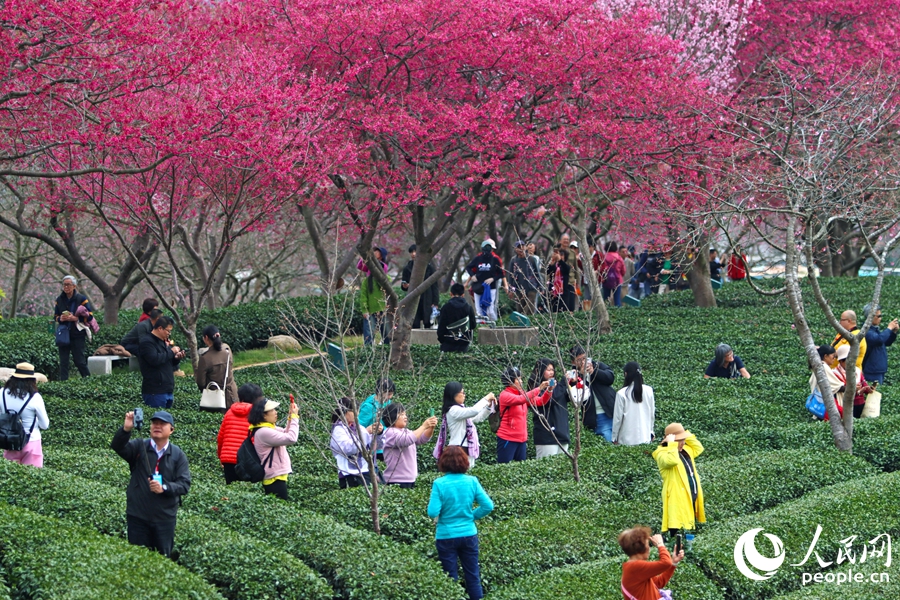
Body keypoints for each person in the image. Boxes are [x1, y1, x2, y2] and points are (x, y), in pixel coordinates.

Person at [111, 409, 191, 557]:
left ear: (171, 430)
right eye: (154, 423)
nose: (157, 426)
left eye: (162, 424)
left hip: (164, 518)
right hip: (138, 515)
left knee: (162, 558)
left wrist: (165, 488)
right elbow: (118, 447)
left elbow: (184, 484)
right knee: (137, 558)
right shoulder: (139, 446)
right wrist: (126, 429)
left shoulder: (178, 455)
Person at [427, 446, 494, 600]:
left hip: (446, 536)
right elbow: (488, 506)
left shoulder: (439, 483)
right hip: (469, 534)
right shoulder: (472, 481)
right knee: (473, 576)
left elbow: (432, 512)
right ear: (465, 462)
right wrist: (471, 516)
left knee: (450, 578)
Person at [652, 423, 705, 537]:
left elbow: (699, 448)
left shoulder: (685, 450)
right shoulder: (661, 453)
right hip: (677, 500)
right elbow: (672, 461)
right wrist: (671, 444)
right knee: (677, 532)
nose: (683, 442)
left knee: (688, 531)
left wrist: (685, 433)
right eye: (680, 440)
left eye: (684, 440)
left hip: (690, 497)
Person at [496, 366, 552, 463]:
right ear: (510, 382)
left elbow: (540, 402)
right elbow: (521, 399)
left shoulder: (521, 393)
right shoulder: (505, 395)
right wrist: (539, 388)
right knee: (504, 468)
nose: (521, 381)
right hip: (507, 438)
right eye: (518, 379)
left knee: (520, 468)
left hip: (521, 439)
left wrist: (549, 390)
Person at [434, 382, 495, 468]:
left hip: (466, 448)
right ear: (454, 394)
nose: (464, 395)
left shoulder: (460, 410)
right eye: (462, 392)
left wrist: (488, 406)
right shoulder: (453, 410)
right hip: (459, 450)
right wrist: (486, 398)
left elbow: (478, 418)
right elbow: (474, 410)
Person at [248, 397, 299, 500]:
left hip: (277, 476)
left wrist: (290, 417)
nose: (275, 412)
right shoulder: (264, 432)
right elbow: (291, 438)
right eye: (272, 410)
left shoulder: (267, 428)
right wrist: (294, 417)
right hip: (274, 478)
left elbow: (285, 432)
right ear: (263, 415)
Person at [1, 363, 48, 468]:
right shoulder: (35, 397)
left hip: (9, 441)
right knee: (32, 477)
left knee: (11, 476)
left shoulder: (2, 393)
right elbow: (45, 425)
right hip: (31, 441)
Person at [380, 403, 438, 488]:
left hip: (410, 479)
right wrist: (424, 426)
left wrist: (431, 428)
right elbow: (407, 440)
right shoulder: (389, 432)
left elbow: (422, 439)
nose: (405, 417)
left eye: (405, 414)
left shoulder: (406, 431)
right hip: (396, 480)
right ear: (392, 416)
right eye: (402, 414)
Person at [619, 526, 684, 600]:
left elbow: (659, 582)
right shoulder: (635, 567)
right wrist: (660, 544)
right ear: (641, 548)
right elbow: (666, 562)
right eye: (648, 545)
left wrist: (673, 562)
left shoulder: (633, 568)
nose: (649, 548)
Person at [330, 397, 381, 488]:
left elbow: (376, 446)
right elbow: (348, 448)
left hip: (365, 470)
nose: (357, 413)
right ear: (344, 412)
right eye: (353, 410)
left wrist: (379, 434)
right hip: (350, 473)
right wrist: (366, 432)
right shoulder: (338, 430)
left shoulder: (358, 427)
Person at [216, 383, 262, 484]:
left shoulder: (229, 413)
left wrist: (220, 456)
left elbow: (221, 437)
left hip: (227, 459)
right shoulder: (256, 414)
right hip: (247, 460)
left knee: (231, 490)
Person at [569, 346, 616, 441]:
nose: (583, 362)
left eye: (584, 358)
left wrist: (594, 372)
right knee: (608, 440)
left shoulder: (597, 365)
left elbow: (610, 377)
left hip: (612, 410)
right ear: (573, 362)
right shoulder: (572, 374)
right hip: (596, 415)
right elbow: (573, 395)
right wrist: (581, 376)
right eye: (579, 360)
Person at [54, 275, 96, 380]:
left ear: (74, 286)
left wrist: (76, 319)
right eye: (64, 285)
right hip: (64, 333)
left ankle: (87, 380)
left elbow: (89, 316)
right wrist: (61, 319)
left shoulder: (81, 299)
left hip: (77, 334)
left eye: (68, 285)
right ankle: (63, 384)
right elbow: (55, 316)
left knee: (79, 360)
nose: (66, 287)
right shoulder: (59, 300)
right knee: (63, 362)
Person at [528, 358, 572, 458]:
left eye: (552, 369)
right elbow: (551, 399)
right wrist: (563, 382)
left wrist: (572, 383)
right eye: (548, 370)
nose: (551, 372)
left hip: (562, 433)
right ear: (540, 371)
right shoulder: (536, 387)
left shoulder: (558, 385)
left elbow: (569, 398)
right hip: (547, 436)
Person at [137, 316, 184, 408]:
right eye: (168, 331)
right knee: (158, 420)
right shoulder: (147, 342)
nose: (169, 334)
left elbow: (166, 361)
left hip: (167, 388)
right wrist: (171, 352)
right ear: (160, 328)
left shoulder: (162, 342)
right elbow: (155, 360)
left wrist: (176, 358)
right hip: (155, 390)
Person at [194, 324, 239, 409]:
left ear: (206, 338)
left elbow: (201, 382)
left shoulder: (205, 358)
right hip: (232, 394)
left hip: (215, 397)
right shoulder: (227, 349)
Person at [611, 362, 656, 446]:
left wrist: (614, 437)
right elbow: (651, 414)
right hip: (645, 438)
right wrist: (651, 431)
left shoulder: (621, 393)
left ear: (626, 374)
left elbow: (617, 419)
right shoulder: (649, 390)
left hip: (626, 440)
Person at [465, 239, 506, 323]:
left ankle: (494, 325)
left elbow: (501, 273)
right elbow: (468, 267)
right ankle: (481, 327)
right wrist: (472, 276)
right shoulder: (478, 258)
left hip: (491, 287)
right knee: (478, 310)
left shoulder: (495, 259)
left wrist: (493, 279)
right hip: (478, 287)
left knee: (490, 309)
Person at [401, 244, 440, 329]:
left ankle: (427, 341)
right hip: (413, 297)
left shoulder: (429, 268)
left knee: (428, 321)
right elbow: (403, 284)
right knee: (414, 321)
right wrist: (405, 286)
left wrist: (435, 302)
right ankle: (415, 341)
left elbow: (435, 286)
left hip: (427, 297)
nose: (413, 254)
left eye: (415, 252)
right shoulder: (407, 268)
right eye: (411, 252)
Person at [358, 247, 390, 346]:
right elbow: (360, 266)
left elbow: (385, 283)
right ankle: (369, 351)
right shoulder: (366, 281)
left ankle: (387, 350)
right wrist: (366, 256)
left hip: (383, 309)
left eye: (378, 252)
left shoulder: (384, 268)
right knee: (369, 333)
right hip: (371, 309)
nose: (375, 253)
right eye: (375, 251)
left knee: (386, 333)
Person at [861, 304, 898, 384]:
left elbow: (886, 342)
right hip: (872, 370)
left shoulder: (875, 329)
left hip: (878, 370)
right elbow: (879, 340)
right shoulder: (867, 331)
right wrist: (889, 328)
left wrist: (893, 332)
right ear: (870, 317)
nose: (880, 319)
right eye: (879, 316)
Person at [834, 344, 873, 419]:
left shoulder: (857, 370)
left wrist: (867, 389)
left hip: (860, 404)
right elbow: (837, 390)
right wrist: (853, 389)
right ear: (841, 361)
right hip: (846, 405)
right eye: (848, 360)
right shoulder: (835, 373)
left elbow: (863, 383)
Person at [437, 283, 477, 352]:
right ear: (463, 295)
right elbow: (473, 325)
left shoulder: (445, 308)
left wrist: (442, 340)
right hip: (464, 343)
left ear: (451, 294)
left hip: (448, 343)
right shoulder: (468, 307)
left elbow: (441, 327)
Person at [809, 345, 844, 420]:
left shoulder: (818, 365)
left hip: (820, 403)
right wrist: (852, 388)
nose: (834, 359)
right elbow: (835, 386)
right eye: (833, 356)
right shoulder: (824, 367)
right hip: (825, 404)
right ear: (825, 356)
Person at [509, 240, 541, 315]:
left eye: (522, 246)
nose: (521, 249)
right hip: (519, 288)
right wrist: (511, 289)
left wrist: (540, 287)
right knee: (520, 310)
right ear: (515, 249)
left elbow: (537, 273)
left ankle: (530, 324)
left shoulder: (531, 259)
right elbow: (511, 276)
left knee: (529, 309)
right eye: (518, 247)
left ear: (525, 247)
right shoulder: (513, 260)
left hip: (531, 287)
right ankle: (522, 325)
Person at [598, 241, 625, 307]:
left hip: (606, 280)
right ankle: (618, 314)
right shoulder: (619, 258)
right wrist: (620, 275)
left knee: (606, 299)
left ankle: (606, 313)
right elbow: (623, 270)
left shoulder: (603, 257)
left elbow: (601, 269)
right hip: (617, 280)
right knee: (617, 299)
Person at [547, 246, 572, 313]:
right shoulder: (554, 266)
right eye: (559, 254)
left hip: (562, 293)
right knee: (553, 311)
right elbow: (548, 272)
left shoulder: (566, 266)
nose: (560, 256)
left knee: (562, 312)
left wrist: (560, 260)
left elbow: (566, 269)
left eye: (562, 255)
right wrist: (551, 263)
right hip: (553, 293)